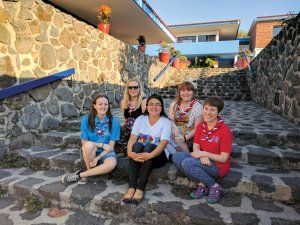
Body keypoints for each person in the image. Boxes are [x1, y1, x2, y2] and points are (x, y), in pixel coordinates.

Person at [172, 96, 232, 204]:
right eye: (206, 108)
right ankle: (202, 183)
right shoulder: (200, 126)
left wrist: (204, 154)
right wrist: (202, 155)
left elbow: (224, 158)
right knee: (177, 156)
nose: (208, 112)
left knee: (187, 163)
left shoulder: (225, 131)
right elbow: (196, 146)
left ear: (219, 112)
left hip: (218, 165)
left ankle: (214, 186)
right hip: (202, 159)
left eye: (212, 109)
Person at [123, 94, 171, 204]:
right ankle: (132, 187)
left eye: (157, 104)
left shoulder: (165, 122)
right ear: (147, 107)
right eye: (151, 104)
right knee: (137, 146)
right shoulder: (140, 119)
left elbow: (163, 143)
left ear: (162, 107)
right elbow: (133, 138)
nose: (154, 107)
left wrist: (149, 155)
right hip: (141, 156)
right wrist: (129, 152)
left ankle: (140, 188)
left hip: (158, 156)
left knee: (148, 146)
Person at [61, 95, 120, 184]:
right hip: (90, 150)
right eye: (100, 104)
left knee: (111, 164)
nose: (103, 106)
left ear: (108, 106)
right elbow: (84, 142)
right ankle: (90, 170)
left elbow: (110, 146)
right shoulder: (86, 119)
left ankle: (82, 175)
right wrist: (102, 145)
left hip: (106, 152)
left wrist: (99, 157)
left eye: (106, 104)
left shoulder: (114, 121)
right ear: (94, 105)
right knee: (89, 145)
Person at [166, 81, 203, 154]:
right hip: (176, 135)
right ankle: (178, 153)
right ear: (179, 92)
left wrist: (184, 138)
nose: (186, 93)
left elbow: (197, 128)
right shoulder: (174, 105)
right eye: (183, 90)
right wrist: (174, 127)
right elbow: (170, 120)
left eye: (189, 90)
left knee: (174, 138)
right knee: (166, 131)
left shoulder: (198, 107)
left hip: (190, 137)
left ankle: (187, 154)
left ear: (193, 92)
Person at [119, 79, 147, 153]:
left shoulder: (144, 101)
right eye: (130, 87)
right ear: (127, 89)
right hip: (128, 130)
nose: (133, 89)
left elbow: (146, 121)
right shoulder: (123, 102)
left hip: (140, 130)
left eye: (135, 87)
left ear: (139, 88)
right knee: (114, 130)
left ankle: (130, 145)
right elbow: (125, 119)